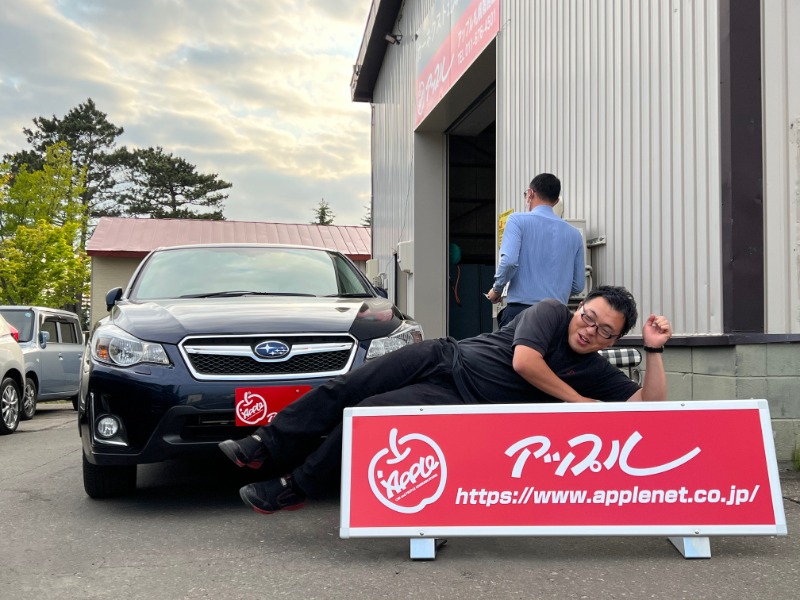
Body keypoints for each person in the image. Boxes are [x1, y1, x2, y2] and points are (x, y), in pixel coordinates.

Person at [218, 285, 672, 514]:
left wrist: (653, 351)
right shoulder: (551, 312)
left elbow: (648, 407)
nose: (589, 330)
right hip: (443, 356)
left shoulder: (595, 370)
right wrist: (577, 401)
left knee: (368, 417)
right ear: (579, 308)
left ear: (612, 341)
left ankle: (294, 488)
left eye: (603, 331)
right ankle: (266, 445)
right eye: (588, 316)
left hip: (452, 397)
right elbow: (524, 362)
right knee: (349, 386)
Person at [486, 173, 586, 328]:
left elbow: (509, 262)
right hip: (558, 317)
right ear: (556, 201)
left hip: (521, 314)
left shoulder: (517, 221)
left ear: (530, 193)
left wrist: (497, 289)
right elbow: (578, 285)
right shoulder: (575, 235)